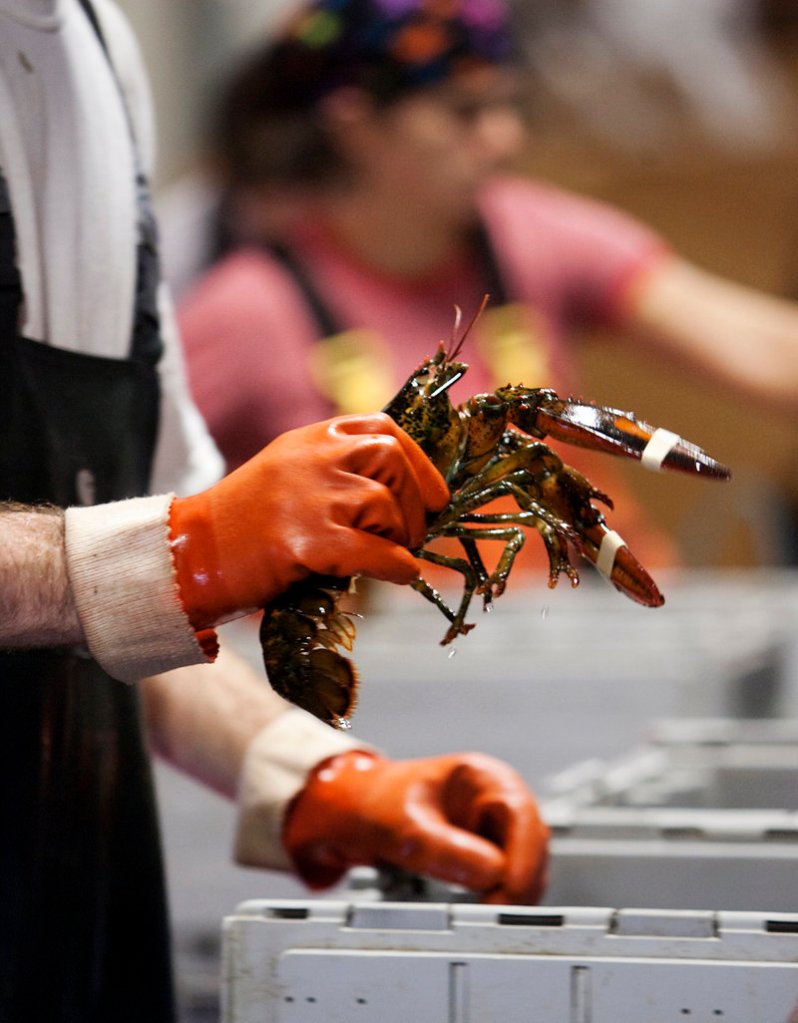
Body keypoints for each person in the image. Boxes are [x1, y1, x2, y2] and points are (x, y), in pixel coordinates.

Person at [0, 3, 549, 1020]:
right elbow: (132, 561)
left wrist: (311, 773)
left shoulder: (94, 49)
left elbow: (114, 596)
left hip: (71, 916)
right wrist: (187, 548)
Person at [172, 0, 798, 573]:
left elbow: (764, 352)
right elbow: (140, 502)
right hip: (385, 673)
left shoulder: (531, 234)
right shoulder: (252, 310)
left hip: (593, 638)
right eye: (465, 113)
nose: (506, 139)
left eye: (507, 106)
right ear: (358, 127)